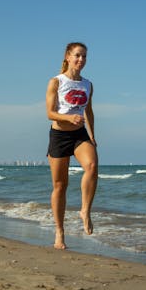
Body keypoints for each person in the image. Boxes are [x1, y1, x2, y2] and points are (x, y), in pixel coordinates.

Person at [46, 42, 98, 250]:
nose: (81, 60)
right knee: (60, 186)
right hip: (59, 136)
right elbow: (50, 113)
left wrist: (92, 137)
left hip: (79, 135)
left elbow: (89, 111)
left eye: (84, 56)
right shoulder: (56, 82)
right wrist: (68, 118)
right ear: (67, 56)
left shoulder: (88, 84)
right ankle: (59, 233)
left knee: (92, 166)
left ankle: (85, 210)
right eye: (77, 55)